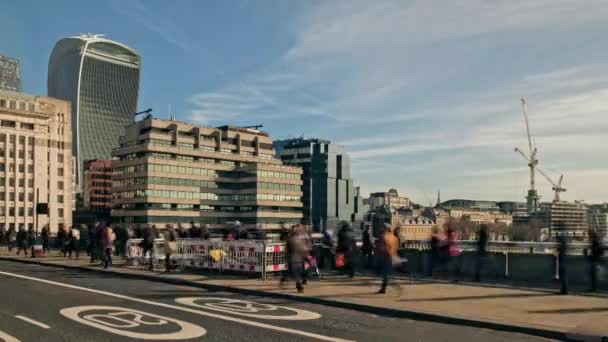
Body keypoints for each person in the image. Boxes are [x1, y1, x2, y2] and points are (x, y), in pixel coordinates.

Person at [376, 224, 401, 294]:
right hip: (389, 256)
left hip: (386, 257)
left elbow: (382, 247)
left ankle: (385, 288)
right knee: (385, 273)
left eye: (383, 228)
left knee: (385, 273)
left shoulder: (384, 237)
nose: (382, 229)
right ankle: (383, 288)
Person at [285, 225, 308, 293]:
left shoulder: (289, 239)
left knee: (295, 274)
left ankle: (299, 286)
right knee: (298, 274)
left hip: (293, 259)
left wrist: (287, 257)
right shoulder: (300, 240)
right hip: (300, 259)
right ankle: (300, 285)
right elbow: (303, 249)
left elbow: (287, 250)